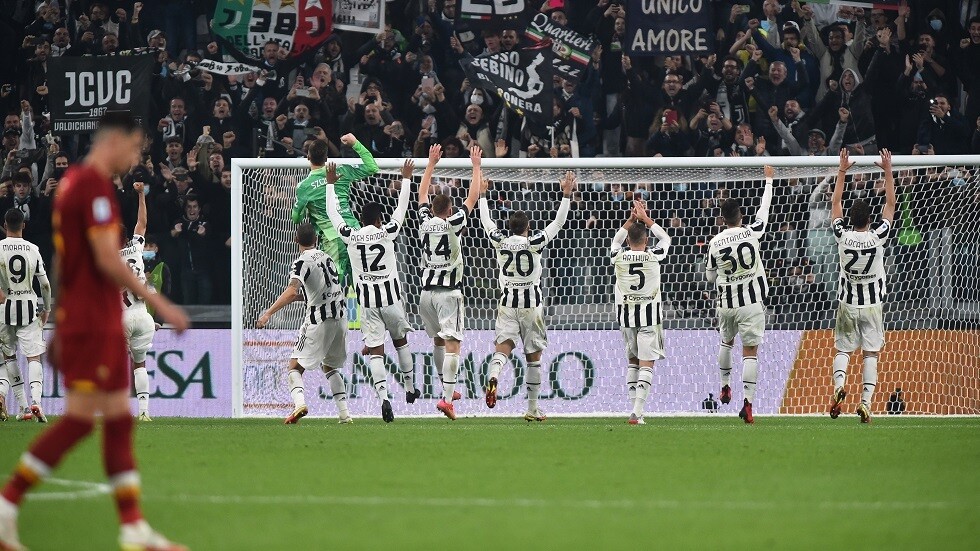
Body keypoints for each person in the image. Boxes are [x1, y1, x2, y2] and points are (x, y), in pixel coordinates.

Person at [0, 112, 190, 551]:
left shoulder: (71, 185)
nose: (135, 157)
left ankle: (133, 527)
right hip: (93, 319)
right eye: (135, 147)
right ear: (116, 140)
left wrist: (61, 315)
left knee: (118, 419)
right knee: (81, 422)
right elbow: (106, 258)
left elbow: (65, 261)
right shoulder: (92, 186)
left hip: (92, 318)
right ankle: (7, 505)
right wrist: (161, 303)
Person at [479, 171, 576, 422]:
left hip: (507, 303)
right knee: (534, 358)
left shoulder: (500, 242)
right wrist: (566, 195)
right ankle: (532, 408)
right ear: (528, 227)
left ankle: (494, 376)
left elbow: (486, 223)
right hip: (531, 304)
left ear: (509, 227)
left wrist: (482, 195)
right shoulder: (534, 242)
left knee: (503, 348)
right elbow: (558, 224)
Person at [326, 160, 416, 423]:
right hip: (391, 299)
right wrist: (406, 178)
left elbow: (334, 215)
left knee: (376, 350)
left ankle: (384, 398)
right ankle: (410, 388)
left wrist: (330, 186)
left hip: (367, 303)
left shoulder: (351, 236)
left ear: (361, 219)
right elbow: (401, 209)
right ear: (378, 220)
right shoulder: (387, 232)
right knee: (400, 341)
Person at [256, 223, 351, 425]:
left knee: (294, 367)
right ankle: (344, 415)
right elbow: (319, 291)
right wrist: (302, 297)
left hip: (318, 320)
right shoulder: (327, 257)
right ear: (316, 240)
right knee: (330, 366)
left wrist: (268, 313)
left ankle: (299, 404)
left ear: (296, 240)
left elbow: (292, 291)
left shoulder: (301, 262)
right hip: (341, 318)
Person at [828, 149, 896, 424]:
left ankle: (839, 386)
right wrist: (888, 170)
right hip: (872, 306)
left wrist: (842, 170)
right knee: (871, 354)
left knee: (843, 350)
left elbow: (835, 203)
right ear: (870, 220)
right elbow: (890, 205)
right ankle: (865, 403)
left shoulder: (842, 236)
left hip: (848, 304)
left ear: (850, 219)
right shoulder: (878, 236)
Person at [705, 165, 775, 424]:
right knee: (750, 352)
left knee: (726, 342)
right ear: (741, 216)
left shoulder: (714, 242)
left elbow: (710, 277)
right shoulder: (751, 232)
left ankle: (725, 385)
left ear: (722, 219)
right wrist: (768, 181)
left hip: (726, 303)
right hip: (751, 303)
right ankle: (748, 404)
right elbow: (764, 210)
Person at [417, 143, 481, 420]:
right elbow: (473, 197)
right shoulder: (454, 222)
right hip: (448, 293)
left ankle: (446, 387)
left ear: (432, 208)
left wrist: (431, 164)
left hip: (425, 295)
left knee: (438, 341)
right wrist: (476, 167)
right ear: (450, 208)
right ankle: (446, 399)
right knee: (453, 343)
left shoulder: (423, 221)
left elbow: (421, 194)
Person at [611, 200, 671, 425]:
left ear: (628, 240)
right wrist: (646, 219)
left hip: (626, 318)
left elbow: (615, 241)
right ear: (646, 241)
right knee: (647, 363)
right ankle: (637, 411)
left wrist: (630, 221)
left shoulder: (618, 256)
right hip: (649, 317)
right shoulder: (654, 255)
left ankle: (634, 410)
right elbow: (666, 239)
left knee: (633, 363)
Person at [291, 135, 378, 288]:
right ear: (326, 158)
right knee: (362, 284)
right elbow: (372, 167)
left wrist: (304, 210)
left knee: (332, 288)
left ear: (308, 157)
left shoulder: (304, 186)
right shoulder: (341, 171)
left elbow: (296, 219)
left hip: (332, 238)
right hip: (354, 233)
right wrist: (355, 143)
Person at [0, 208, 51, 423]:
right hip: (29, 307)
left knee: (9, 356)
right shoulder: (33, 249)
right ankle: (36, 402)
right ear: (23, 225)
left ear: (5, 225)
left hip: (5, 309)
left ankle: (23, 407)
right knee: (33, 357)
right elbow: (45, 284)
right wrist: (46, 309)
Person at [120, 182, 156, 422]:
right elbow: (141, 222)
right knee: (140, 364)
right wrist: (141, 194)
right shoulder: (135, 248)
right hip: (144, 315)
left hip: (123, 316)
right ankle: (144, 412)